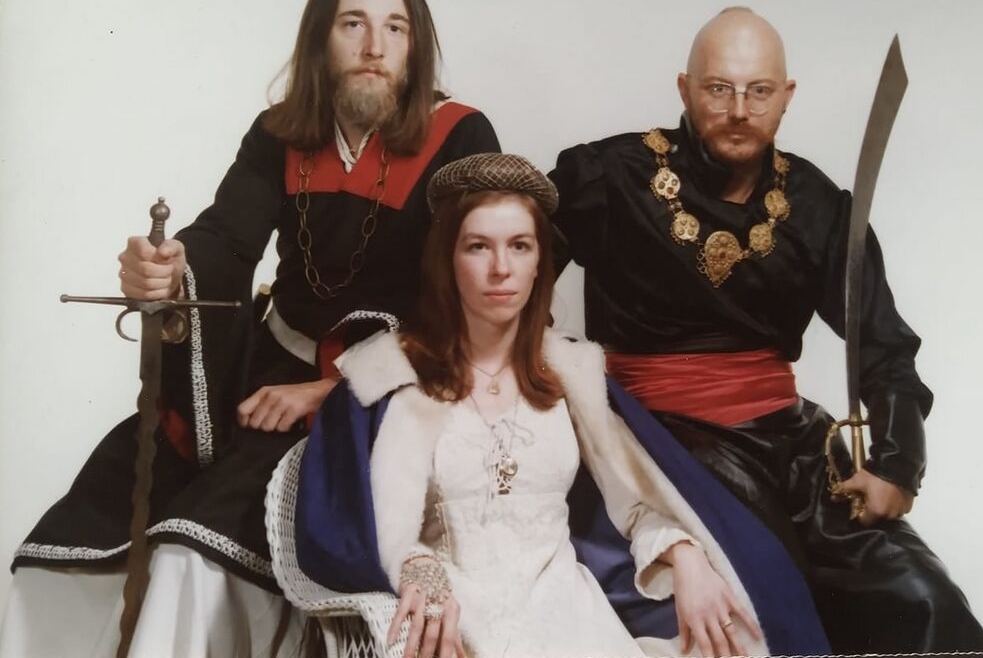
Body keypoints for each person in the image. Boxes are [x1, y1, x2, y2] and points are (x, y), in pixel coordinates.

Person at [2, 0, 499, 657]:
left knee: (191, 548)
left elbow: (481, 296)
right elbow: (226, 238)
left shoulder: (462, 137)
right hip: (270, 372)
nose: (374, 46)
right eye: (352, 24)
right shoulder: (279, 135)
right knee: (83, 531)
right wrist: (168, 270)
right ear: (320, 39)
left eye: (395, 28)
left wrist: (334, 389)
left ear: (415, 46)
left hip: (393, 389)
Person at [547, 7, 983, 652]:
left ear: (786, 97)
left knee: (923, 599)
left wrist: (898, 465)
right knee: (775, 600)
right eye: (719, 89)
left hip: (792, 445)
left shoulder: (817, 205)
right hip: (661, 446)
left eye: (758, 91)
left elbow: (884, 344)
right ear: (685, 89)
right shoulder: (609, 177)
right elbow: (512, 271)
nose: (739, 110)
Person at [271, 153, 832, 657]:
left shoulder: (570, 375)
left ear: (540, 260)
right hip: (461, 619)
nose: (501, 268)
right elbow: (387, 530)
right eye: (478, 246)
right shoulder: (402, 377)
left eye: (520, 246)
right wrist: (419, 571)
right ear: (447, 259)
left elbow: (638, 499)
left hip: (570, 616)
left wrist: (685, 557)